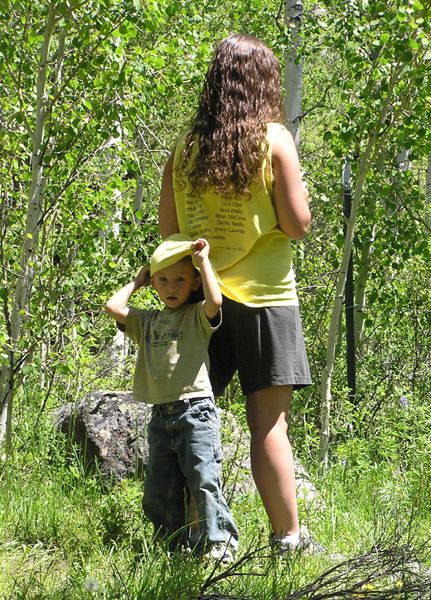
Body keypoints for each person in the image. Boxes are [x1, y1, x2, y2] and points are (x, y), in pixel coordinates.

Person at [158, 33, 319, 553]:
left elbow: (170, 234)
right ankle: (288, 537)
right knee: (268, 423)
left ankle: (191, 535)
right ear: (262, 85)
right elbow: (297, 224)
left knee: (191, 421)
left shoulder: (184, 149)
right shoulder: (274, 140)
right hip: (267, 299)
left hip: (201, 299)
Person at [105, 235, 238, 561]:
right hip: (161, 415)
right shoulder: (148, 321)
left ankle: (219, 543)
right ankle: (172, 547)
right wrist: (139, 279)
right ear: (154, 284)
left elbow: (216, 302)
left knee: (204, 479)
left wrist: (203, 261)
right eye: (163, 280)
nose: (171, 286)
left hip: (196, 411)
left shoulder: (195, 316)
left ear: (192, 282)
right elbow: (113, 307)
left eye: (180, 279)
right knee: (159, 488)